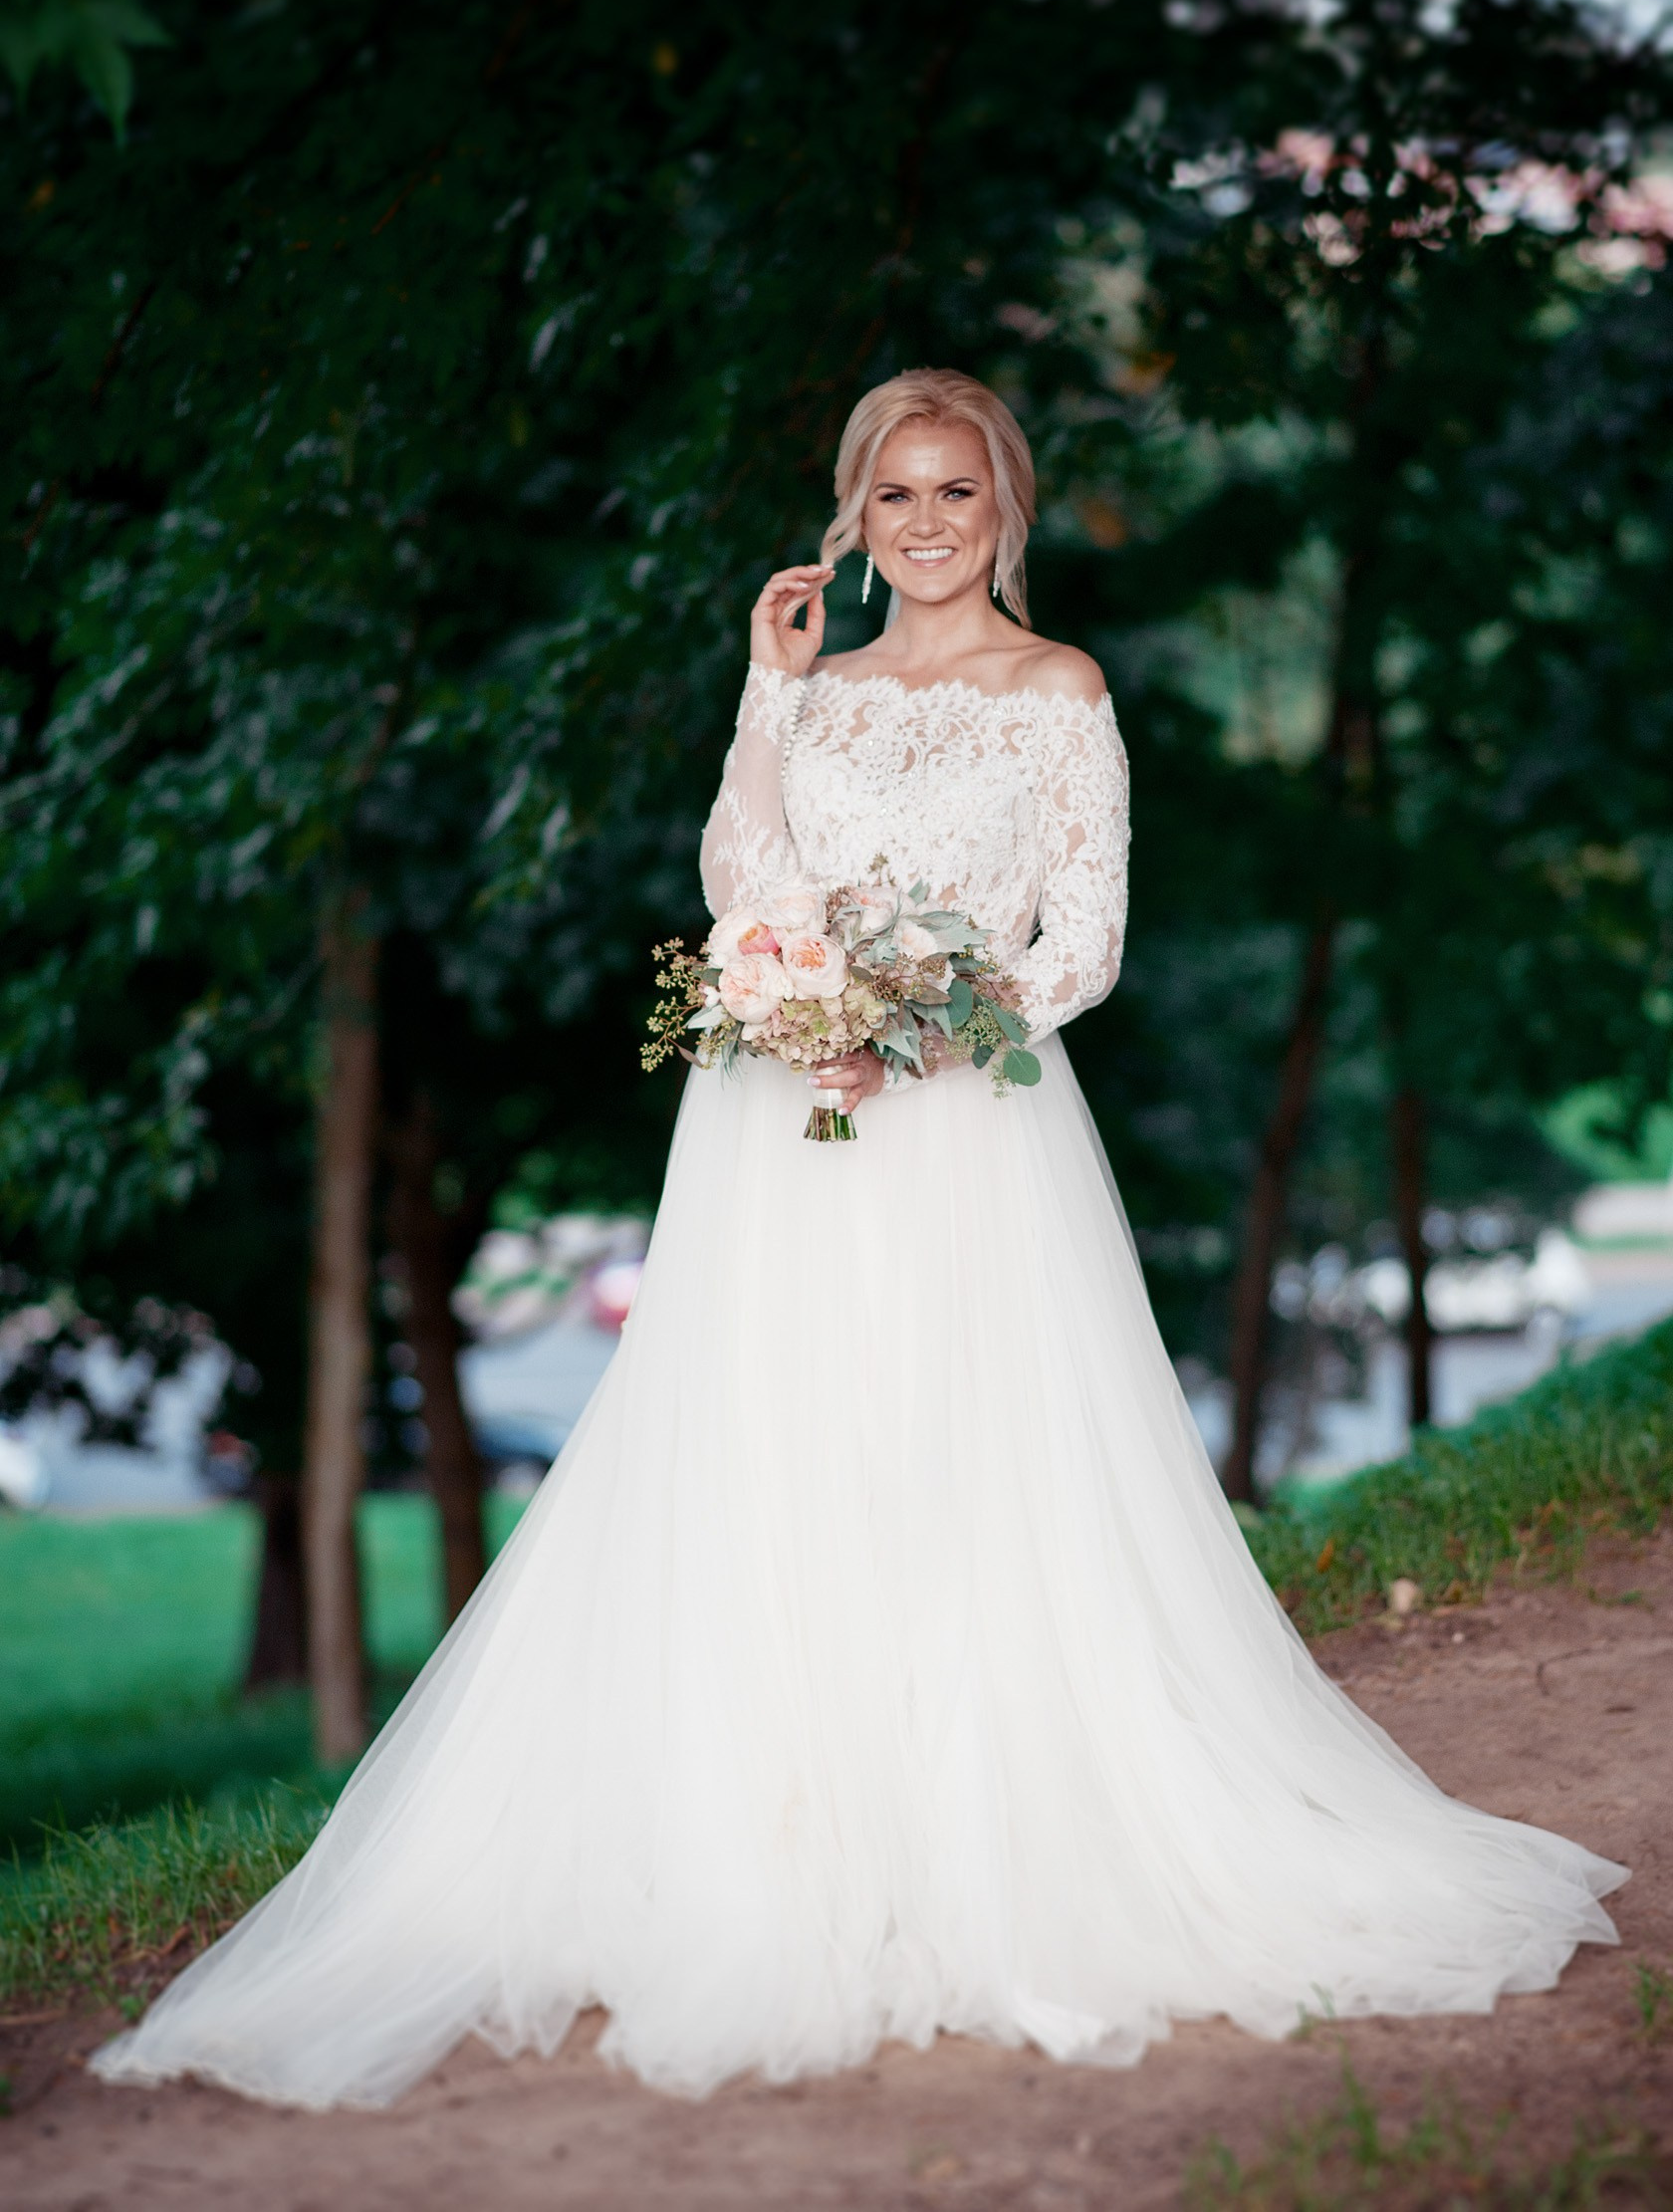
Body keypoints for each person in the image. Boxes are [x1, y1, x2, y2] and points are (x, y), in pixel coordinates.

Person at [93, 368, 1625, 2111]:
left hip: (965, 1133)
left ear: (1006, 510)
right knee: (769, 1457)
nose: (924, 524)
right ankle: (760, 1835)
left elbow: (1087, 946)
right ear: (853, 514)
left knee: (957, 1465)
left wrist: (912, 1027)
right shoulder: (809, 696)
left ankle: (981, 1838)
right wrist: (767, 704)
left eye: (954, 493)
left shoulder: (1060, 691)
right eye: (892, 495)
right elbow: (738, 882)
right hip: (773, 1141)